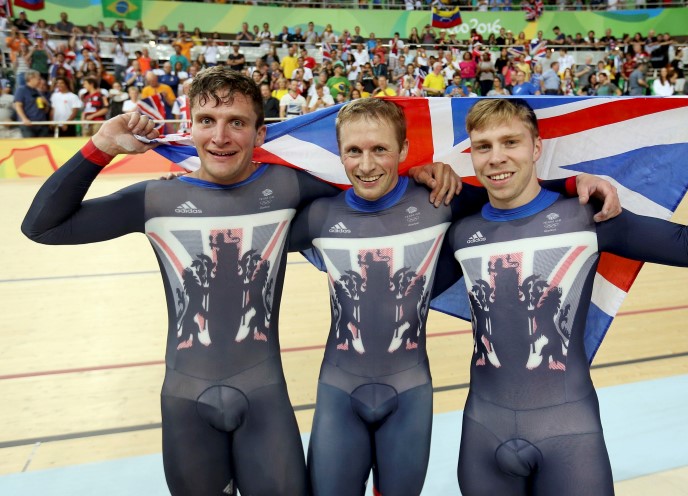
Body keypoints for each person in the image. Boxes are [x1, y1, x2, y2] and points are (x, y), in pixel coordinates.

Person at [21, 66, 458, 495]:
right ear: (189, 127)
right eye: (207, 121)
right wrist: (99, 147)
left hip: (264, 402)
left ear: (260, 134)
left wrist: (419, 173)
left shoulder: (289, 187)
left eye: (237, 123)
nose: (221, 136)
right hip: (186, 405)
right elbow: (43, 227)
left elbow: (369, 188)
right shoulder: (155, 199)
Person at [441, 93, 688, 495]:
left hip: (568, 433)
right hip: (484, 433)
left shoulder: (588, 216)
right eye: (483, 147)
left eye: (510, 142)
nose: (496, 157)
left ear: (536, 147)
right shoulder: (459, 231)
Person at [288, 98, 621, 496]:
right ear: (338, 154)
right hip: (339, 392)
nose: (366, 163)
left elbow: (512, 193)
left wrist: (570, 184)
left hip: (408, 394)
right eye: (353, 151)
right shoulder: (321, 214)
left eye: (380, 149)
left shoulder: (437, 201)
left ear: (404, 151)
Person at [14, 69, 50, 137]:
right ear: (31, 78)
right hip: (29, 125)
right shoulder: (21, 89)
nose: (40, 81)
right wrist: (24, 119)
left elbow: (45, 110)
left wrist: (46, 104)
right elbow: (18, 105)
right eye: (38, 78)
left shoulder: (38, 91)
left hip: (42, 125)